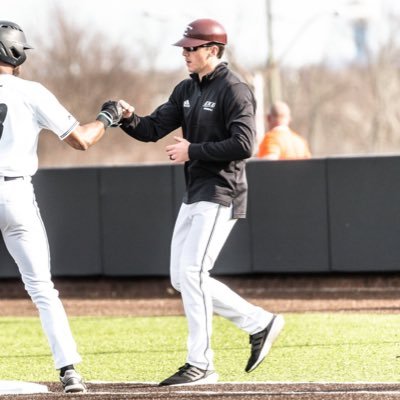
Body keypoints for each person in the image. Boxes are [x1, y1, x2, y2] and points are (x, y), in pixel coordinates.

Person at [113, 18, 284, 386]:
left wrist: (193, 150)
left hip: (222, 191)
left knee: (191, 274)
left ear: (213, 50)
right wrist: (128, 118)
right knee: (182, 277)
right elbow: (152, 129)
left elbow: (244, 145)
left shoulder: (234, 89)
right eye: (185, 48)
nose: (185, 53)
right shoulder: (186, 89)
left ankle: (201, 363)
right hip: (195, 192)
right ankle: (260, 323)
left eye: (192, 48)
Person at [0, 21, 122, 393]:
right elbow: (82, 141)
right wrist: (108, 116)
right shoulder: (31, 91)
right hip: (14, 193)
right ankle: (69, 370)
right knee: (41, 288)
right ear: (17, 53)